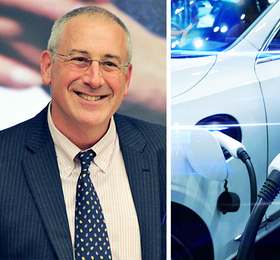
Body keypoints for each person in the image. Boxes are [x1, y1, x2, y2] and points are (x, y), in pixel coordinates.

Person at [0, 6, 166, 260]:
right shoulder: (4, 159)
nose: (95, 79)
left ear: (127, 77)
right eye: (79, 59)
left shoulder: (165, 151)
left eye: (109, 63)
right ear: (47, 67)